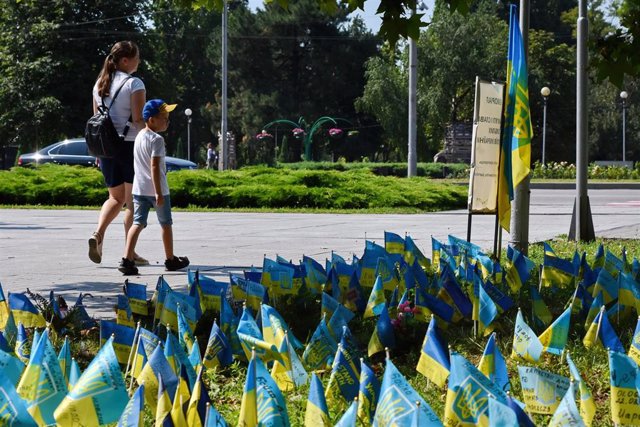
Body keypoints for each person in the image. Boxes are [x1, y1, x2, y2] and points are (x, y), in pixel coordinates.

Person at [88, 41, 148, 266]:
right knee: (132, 202)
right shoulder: (135, 84)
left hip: (106, 149)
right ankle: (129, 253)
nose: (139, 61)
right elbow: (138, 119)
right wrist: (151, 143)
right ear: (125, 60)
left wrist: (98, 153)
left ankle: (98, 234)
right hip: (130, 146)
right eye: (137, 57)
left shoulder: (99, 84)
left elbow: (97, 121)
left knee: (115, 198)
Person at [118, 99, 190, 275]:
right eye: (163, 117)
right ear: (151, 119)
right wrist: (158, 192)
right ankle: (170, 259)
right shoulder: (157, 140)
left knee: (137, 223)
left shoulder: (139, 136)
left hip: (139, 188)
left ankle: (127, 259)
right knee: (166, 224)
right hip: (158, 190)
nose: (167, 121)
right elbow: (155, 167)